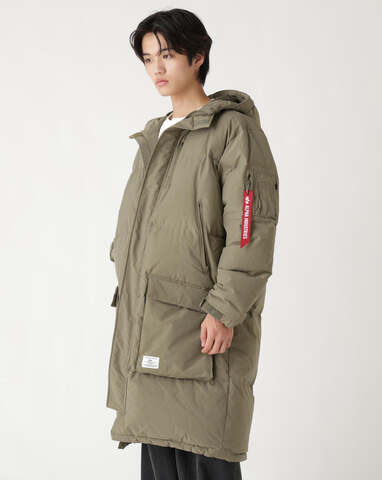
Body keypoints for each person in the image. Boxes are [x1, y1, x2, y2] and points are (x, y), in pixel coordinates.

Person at [106, 8, 279, 480]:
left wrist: (225, 309)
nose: (156, 69)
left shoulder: (232, 131)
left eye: (167, 55)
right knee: (160, 455)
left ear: (198, 56)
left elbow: (251, 228)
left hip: (203, 329)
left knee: (205, 453)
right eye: (148, 58)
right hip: (151, 325)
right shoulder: (155, 136)